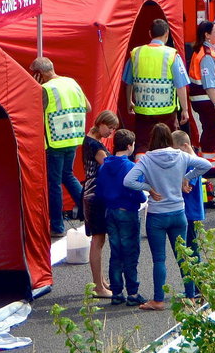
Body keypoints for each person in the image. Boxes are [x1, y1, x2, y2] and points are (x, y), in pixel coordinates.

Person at [123, 124, 212, 311]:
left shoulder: (147, 159)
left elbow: (128, 181)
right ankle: (191, 296)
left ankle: (158, 300)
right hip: (179, 212)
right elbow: (206, 165)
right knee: (184, 257)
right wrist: (186, 177)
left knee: (159, 259)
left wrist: (147, 188)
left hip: (157, 214)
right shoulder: (180, 156)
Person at [30, 57, 91, 239]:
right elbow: (87, 107)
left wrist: (34, 88)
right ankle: (91, 210)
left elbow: (33, 110)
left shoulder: (45, 89)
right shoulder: (71, 82)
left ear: (39, 74)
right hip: (72, 136)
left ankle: (57, 226)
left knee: (54, 183)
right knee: (68, 175)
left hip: (55, 140)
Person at [123, 19, 190, 153]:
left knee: (143, 144)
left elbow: (128, 81)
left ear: (149, 33)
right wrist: (185, 109)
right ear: (167, 34)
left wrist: (129, 101)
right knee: (167, 145)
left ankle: (141, 171)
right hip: (166, 111)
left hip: (142, 110)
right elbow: (180, 85)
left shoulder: (136, 53)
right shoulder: (171, 55)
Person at [97, 129, 147, 307]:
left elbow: (100, 191)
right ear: (129, 146)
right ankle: (133, 292)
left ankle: (117, 292)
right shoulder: (130, 167)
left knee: (115, 253)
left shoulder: (104, 166)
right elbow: (136, 191)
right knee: (131, 252)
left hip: (110, 211)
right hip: (127, 211)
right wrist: (142, 199)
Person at [82, 110, 120, 298]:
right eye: (110, 128)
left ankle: (100, 280)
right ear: (101, 123)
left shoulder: (88, 140)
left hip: (90, 193)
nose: (110, 133)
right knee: (98, 240)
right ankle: (98, 286)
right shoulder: (96, 147)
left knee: (99, 240)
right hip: (96, 195)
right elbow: (109, 167)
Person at [188, 21, 215, 166]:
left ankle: (207, 156)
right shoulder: (207, 55)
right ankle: (208, 164)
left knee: (211, 128)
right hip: (207, 99)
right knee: (213, 128)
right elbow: (209, 82)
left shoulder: (208, 51)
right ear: (207, 35)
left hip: (205, 98)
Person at [172, 130, 205, 302]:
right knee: (192, 248)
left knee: (191, 250)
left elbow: (186, 185)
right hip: (193, 211)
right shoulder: (193, 160)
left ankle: (197, 287)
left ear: (185, 146)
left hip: (190, 212)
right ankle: (198, 286)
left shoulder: (191, 164)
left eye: (177, 149)